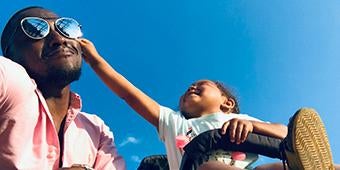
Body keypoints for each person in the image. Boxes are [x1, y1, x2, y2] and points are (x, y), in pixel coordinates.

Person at [78, 38, 288, 170]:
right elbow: (129, 95)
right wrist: (96, 61)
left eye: (201, 85)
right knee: (210, 168)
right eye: (188, 88)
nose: (191, 87)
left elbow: (285, 133)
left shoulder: (238, 120)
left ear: (227, 103)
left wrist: (255, 126)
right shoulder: (174, 122)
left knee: (275, 167)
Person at [0, 6, 125, 170]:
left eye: (65, 28)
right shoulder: (10, 78)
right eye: (35, 30)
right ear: (11, 55)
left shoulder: (96, 129)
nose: (59, 38)